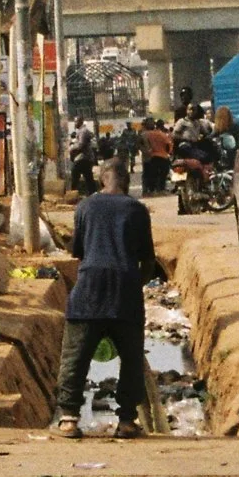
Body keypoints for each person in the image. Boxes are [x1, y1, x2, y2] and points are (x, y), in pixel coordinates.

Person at [52, 157, 158, 437]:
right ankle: (126, 421)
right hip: (125, 292)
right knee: (131, 357)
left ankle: (68, 418)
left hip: (89, 291)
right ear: (126, 182)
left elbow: (78, 251)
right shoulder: (137, 210)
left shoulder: (85, 206)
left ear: (102, 180)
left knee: (75, 355)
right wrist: (136, 282)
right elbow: (148, 260)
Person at [138, 111, 173, 196]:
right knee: (147, 174)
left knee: (153, 174)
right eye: (150, 122)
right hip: (147, 157)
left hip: (154, 157)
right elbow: (139, 144)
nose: (152, 124)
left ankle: (154, 189)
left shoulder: (156, 133)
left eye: (152, 122)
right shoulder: (143, 133)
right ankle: (147, 190)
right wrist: (146, 151)